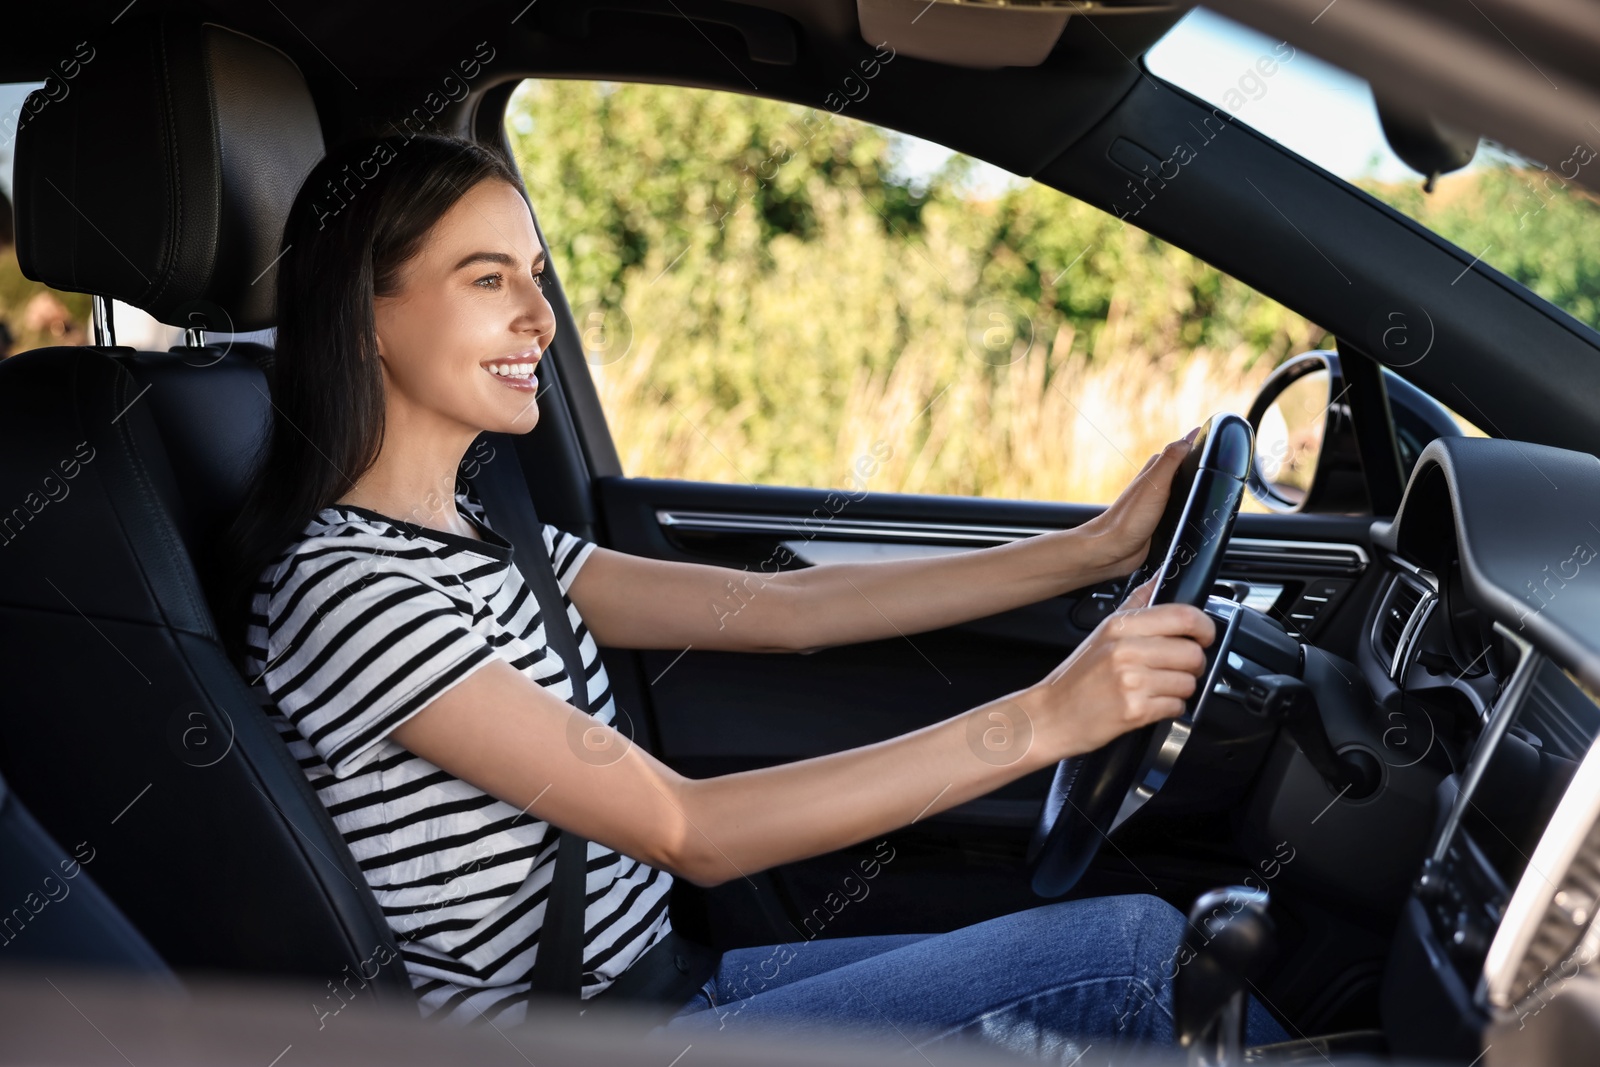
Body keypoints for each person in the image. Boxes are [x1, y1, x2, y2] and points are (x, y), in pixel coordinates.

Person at [208, 132, 1289, 1061]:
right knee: (1144, 965)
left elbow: (781, 610)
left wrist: (1088, 548)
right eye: (488, 280)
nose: (540, 314)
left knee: (1147, 947)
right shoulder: (348, 590)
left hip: (666, 988)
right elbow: (690, 828)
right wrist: (1048, 717)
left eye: (537, 273)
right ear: (365, 317)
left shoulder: (492, 543)